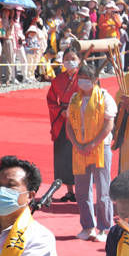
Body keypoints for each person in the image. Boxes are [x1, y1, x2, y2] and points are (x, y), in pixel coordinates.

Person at [66, 66, 116, 242]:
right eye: (81, 77)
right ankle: (87, 226)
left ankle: (104, 227)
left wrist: (93, 143)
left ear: (95, 80)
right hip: (79, 149)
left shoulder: (104, 97)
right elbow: (69, 126)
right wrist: (76, 143)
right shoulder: (74, 99)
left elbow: (109, 124)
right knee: (81, 190)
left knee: (103, 190)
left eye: (87, 78)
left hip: (100, 147)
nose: (83, 81)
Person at [46, 47, 80, 203]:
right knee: (63, 156)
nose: (69, 61)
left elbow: (93, 97)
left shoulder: (85, 77)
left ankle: (82, 189)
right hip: (62, 119)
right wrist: (61, 111)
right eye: (66, 59)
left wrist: (74, 111)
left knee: (78, 155)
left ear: (79, 60)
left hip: (80, 120)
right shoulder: (58, 80)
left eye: (72, 58)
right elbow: (51, 100)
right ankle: (69, 190)